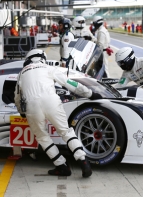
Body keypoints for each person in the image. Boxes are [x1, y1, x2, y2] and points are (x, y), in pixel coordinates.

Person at [14, 49, 103, 177]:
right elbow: (70, 84)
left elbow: (17, 97)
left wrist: (21, 111)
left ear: (28, 60)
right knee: (65, 132)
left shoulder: (21, 74)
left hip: (32, 107)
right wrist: (90, 94)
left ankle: (61, 166)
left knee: (42, 137)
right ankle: (83, 162)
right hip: (52, 102)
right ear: (42, 58)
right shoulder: (47, 68)